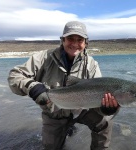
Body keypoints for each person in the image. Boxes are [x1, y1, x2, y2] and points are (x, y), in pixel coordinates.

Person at [8, 21, 120, 150]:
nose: (75, 44)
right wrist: (32, 87)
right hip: (54, 114)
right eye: (70, 39)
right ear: (62, 40)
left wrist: (106, 108)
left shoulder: (91, 65)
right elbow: (14, 76)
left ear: (85, 43)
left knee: (105, 120)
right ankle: (66, 128)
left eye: (80, 40)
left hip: (82, 110)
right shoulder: (44, 58)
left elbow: (98, 98)